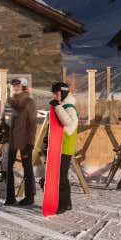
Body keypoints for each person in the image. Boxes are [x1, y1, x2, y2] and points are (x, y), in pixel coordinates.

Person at [4, 78, 37, 206]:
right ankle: (10, 196)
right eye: (13, 85)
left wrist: (30, 143)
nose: (14, 87)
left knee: (27, 167)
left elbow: (32, 124)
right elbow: (5, 119)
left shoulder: (29, 102)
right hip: (11, 140)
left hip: (24, 140)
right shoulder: (9, 101)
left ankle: (30, 196)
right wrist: (2, 130)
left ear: (23, 86)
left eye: (17, 85)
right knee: (7, 167)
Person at [49, 81, 78, 214]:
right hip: (61, 146)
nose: (54, 95)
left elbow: (70, 127)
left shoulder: (69, 107)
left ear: (63, 92)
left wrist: (57, 108)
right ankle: (67, 203)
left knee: (60, 177)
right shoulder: (64, 105)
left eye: (56, 93)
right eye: (53, 93)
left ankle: (62, 204)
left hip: (65, 147)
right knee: (61, 176)